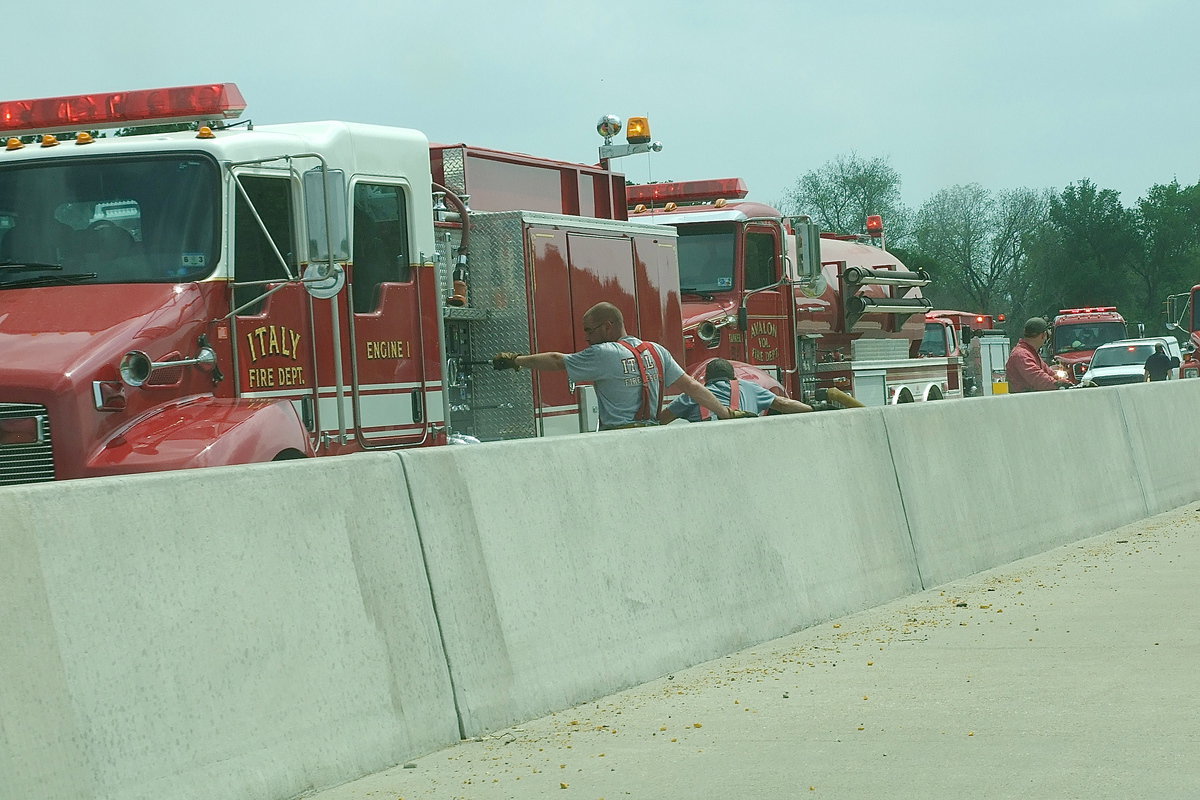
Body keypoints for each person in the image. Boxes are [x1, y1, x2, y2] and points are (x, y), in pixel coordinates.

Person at [492, 302, 740, 430]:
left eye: (590, 330)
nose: (586, 337)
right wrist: (725, 413)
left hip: (618, 437)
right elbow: (693, 388)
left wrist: (516, 361)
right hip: (653, 434)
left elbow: (558, 360)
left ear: (608, 325)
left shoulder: (603, 354)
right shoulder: (657, 351)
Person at [658, 358, 812, 423]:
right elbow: (783, 404)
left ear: (704, 380)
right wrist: (814, 409)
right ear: (734, 378)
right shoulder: (751, 388)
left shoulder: (690, 396)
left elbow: (661, 421)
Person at [1005, 316, 1071, 392]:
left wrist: (1059, 379)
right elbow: (1037, 378)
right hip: (1023, 401)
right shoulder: (1021, 355)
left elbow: (1048, 372)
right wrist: (1057, 384)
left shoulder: (1029, 353)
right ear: (1043, 335)